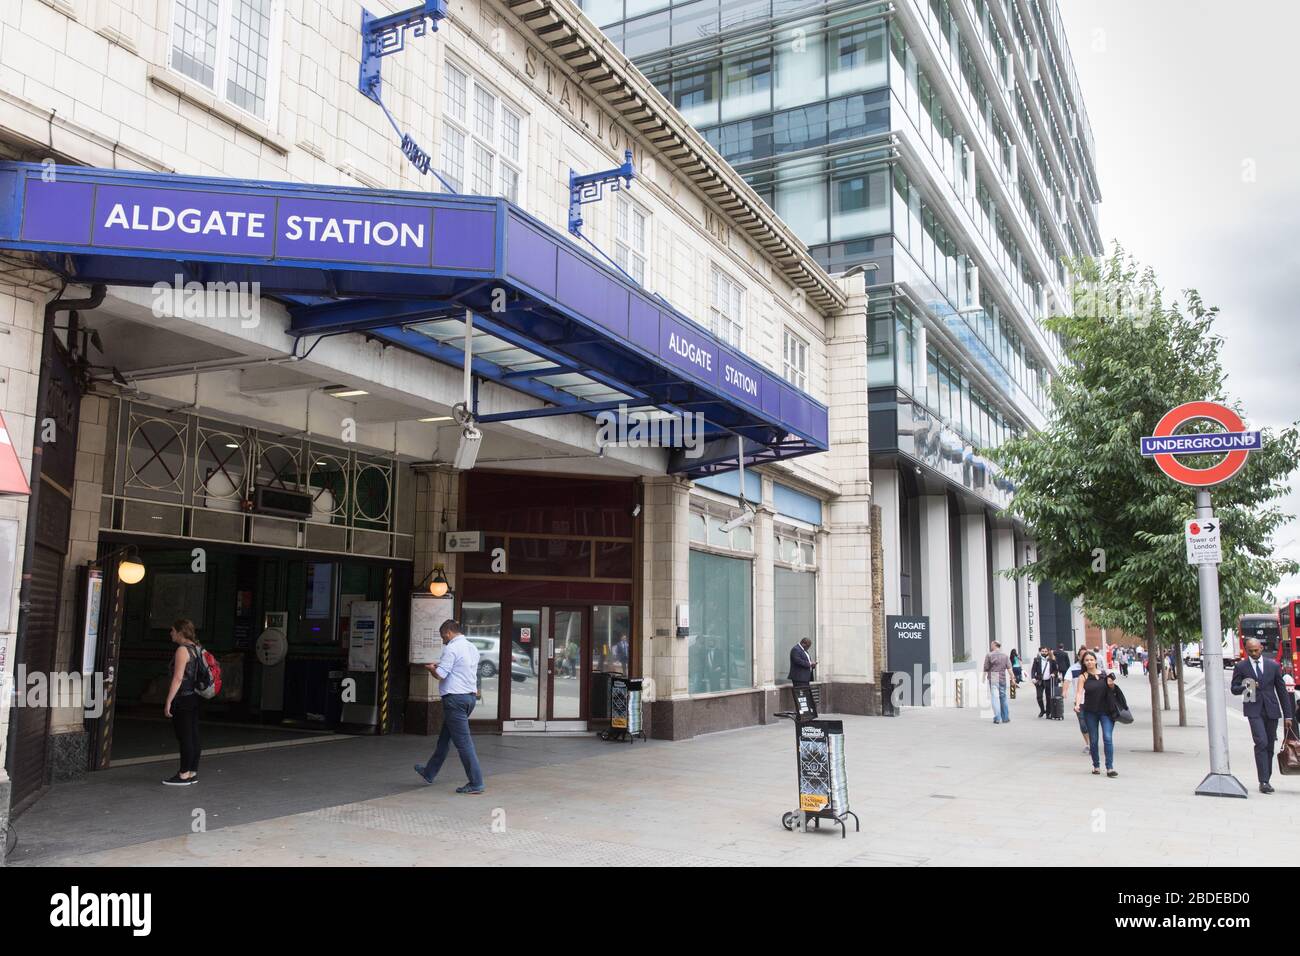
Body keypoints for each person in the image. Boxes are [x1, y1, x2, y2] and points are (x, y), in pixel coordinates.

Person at [415, 619, 485, 794]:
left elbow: (441, 675)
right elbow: (462, 670)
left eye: (442, 636)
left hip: (455, 700)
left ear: (447, 633)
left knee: (464, 743)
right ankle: (429, 772)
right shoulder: (472, 647)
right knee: (444, 739)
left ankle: (476, 783)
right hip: (469, 698)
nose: (442, 640)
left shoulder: (451, 648)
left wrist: (431, 668)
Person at [1231, 638, 1295, 794]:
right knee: (1261, 742)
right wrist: (1247, 686)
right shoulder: (1241, 666)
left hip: (1271, 710)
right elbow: (1234, 688)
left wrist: (1288, 716)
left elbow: (1281, 691)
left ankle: (1267, 777)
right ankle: (1263, 781)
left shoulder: (1273, 666)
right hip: (1253, 709)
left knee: (1269, 746)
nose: (1254, 653)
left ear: (1261, 648)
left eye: (1256, 650)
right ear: (1246, 650)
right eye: (1250, 651)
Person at [162, 618, 203, 786]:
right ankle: (192, 771)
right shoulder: (197, 648)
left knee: (184, 736)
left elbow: (178, 678)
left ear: (180, 632)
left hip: (183, 698)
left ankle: (183, 774)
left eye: (172, 630)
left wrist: (168, 701)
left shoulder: (182, 650)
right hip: (195, 696)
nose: (170, 633)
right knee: (193, 734)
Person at [1073, 649, 1124, 777]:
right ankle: (1096, 765)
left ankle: (1110, 768)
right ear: (1083, 663)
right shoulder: (1083, 677)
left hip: (1106, 711)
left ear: (1095, 661)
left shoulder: (1104, 674)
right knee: (1094, 740)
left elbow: (1112, 689)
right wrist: (1078, 704)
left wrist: (1111, 684)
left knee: (1107, 738)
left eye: (1091, 659)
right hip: (1090, 712)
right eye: (1086, 660)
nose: (1089, 662)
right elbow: (1079, 693)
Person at [981, 640, 1016, 723]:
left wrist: (983, 677)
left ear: (995, 645)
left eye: (991, 644)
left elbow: (985, 668)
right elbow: (1009, 669)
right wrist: (1013, 679)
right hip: (1002, 676)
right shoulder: (1005, 655)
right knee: (1003, 697)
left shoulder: (989, 655)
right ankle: (1006, 718)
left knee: (995, 698)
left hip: (994, 676)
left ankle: (997, 717)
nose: (990, 646)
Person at [1030, 646, 1057, 718]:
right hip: (1040, 681)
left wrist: (1053, 673)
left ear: (1048, 652)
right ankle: (1042, 710)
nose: (1044, 652)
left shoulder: (1052, 660)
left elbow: (1055, 669)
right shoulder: (1037, 660)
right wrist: (1033, 678)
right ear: (1040, 652)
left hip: (1048, 681)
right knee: (1039, 697)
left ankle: (1048, 713)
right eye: (1042, 651)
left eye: (1045, 651)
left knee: (1048, 698)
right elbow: (1033, 670)